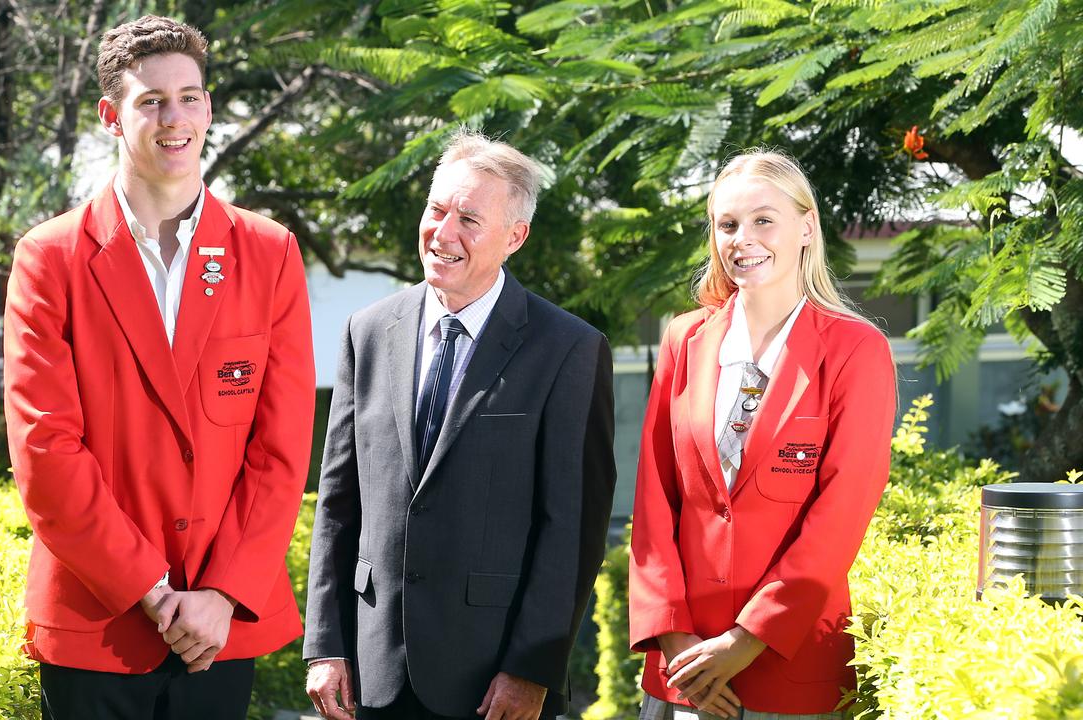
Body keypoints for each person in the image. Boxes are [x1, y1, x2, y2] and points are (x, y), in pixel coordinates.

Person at [2, 15, 314, 720]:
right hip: (97, 625)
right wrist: (152, 589)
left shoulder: (270, 254)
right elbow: (46, 450)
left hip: (220, 626)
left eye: (191, 97)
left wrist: (221, 594)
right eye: (152, 101)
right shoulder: (49, 259)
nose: (176, 118)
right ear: (113, 115)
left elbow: (282, 449)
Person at [302, 129, 617, 720]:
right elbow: (338, 503)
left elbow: (572, 530)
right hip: (374, 674)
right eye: (436, 209)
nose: (443, 233)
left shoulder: (569, 350)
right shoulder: (367, 332)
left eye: (469, 219)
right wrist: (326, 645)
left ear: (514, 236)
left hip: (495, 682)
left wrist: (532, 668)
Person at [628, 150, 896, 720]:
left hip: (790, 665)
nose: (742, 238)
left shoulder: (855, 350)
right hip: (684, 668)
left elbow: (842, 514)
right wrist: (677, 643)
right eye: (727, 224)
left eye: (763, 220)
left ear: (806, 226)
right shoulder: (684, 340)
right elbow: (654, 501)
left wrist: (746, 639)